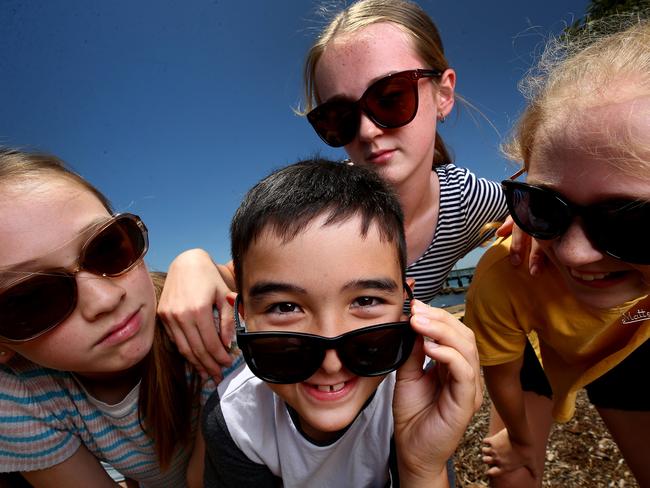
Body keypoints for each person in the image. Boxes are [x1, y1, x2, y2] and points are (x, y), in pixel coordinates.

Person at [157, 0, 510, 379]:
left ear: (443, 94)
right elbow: (243, 276)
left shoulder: (468, 200)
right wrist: (191, 262)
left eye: (390, 98)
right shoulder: (322, 206)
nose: (366, 131)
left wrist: (529, 227)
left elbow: (541, 208)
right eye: (340, 117)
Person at [202, 159, 481, 487]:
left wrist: (423, 467)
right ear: (244, 316)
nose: (331, 362)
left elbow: (424, 468)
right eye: (286, 306)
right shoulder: (235, 421)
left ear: (407, 307)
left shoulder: (415, 389)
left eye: (365, 301)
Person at [464, 19, 650, 487]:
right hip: (542, 348)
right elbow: (501, 377)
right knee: (510, 470)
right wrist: (523, 440)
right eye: (546, 207)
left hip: (630, 346)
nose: (573, 253)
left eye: (634, 222)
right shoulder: (509, 271)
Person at [0, 149, 216, 487]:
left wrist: (192, 259)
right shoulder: (18, 396)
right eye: (33, 298)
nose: (104, 299)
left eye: (107, 248)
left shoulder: (207, 326)